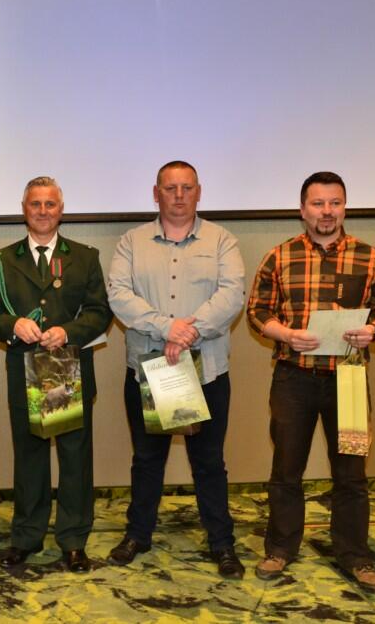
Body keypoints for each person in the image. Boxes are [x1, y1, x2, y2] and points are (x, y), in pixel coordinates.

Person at [246, 171, 375, 593]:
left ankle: (355, 556)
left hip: (348, 378)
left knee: (351, 472)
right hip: (293, 378)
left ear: (345, 207)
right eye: (318, 203)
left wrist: (374, 330)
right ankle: (280, 549)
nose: (327, 211)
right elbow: (257, 311)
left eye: (335, 203)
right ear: (303, 210)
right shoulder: (279, 256)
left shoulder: (369, 256)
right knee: (286, 469)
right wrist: (286, 334)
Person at [106, 161, 246, 579]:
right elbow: (119, 294)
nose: (179, 195)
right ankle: (138, 535)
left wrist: (189, 332)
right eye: (170, 188)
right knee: (147, 460)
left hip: (207, 370)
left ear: (198, 192)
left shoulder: (222, 240)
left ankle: (221, 542)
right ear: (156, 193)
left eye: (187, 188)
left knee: (209, 462)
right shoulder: (131, 242)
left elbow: (232, 295)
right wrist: (168, 327)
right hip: (151, 369)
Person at [0, 176, 112, 572]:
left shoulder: (85, 257)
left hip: (69, 369)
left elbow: (100, 312)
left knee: (75, 461)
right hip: (25, 372)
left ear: (61, 210)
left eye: (50, 204)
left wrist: (68, 332)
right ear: (24, 210)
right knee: (29, 459)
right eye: (35, 204)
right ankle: (26, 537)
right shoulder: (2, 260)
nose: (43, 211)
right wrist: (12, 325)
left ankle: (73, 540)